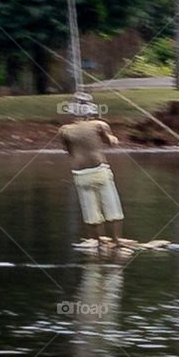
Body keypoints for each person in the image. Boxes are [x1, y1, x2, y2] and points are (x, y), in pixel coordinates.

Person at [59, 92, 125, 247]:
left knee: (90, 208)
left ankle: (98, 239)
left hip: (80, 173)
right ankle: (116, 239)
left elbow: (68, 150)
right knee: (112, 205)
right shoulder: (99, 125)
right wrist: (114, 139)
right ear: (90, 111)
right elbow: (110, 142)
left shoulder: (64, 130)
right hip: (99, 169)